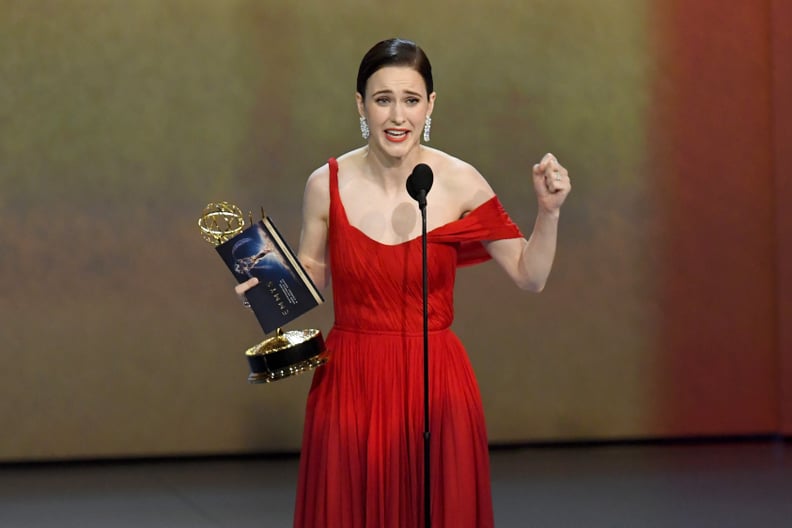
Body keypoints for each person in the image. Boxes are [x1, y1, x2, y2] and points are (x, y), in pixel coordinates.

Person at [236, 37, 570, 528]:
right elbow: (309, 282)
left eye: (411, 100)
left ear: (430, 105)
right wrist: (260, 280)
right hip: (350, 383)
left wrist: (548, 212)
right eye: (383, 99)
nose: (398, 116)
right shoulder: (324, 183)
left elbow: (530, 274)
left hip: (436, 384)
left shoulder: (460, 181)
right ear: (361, 104)